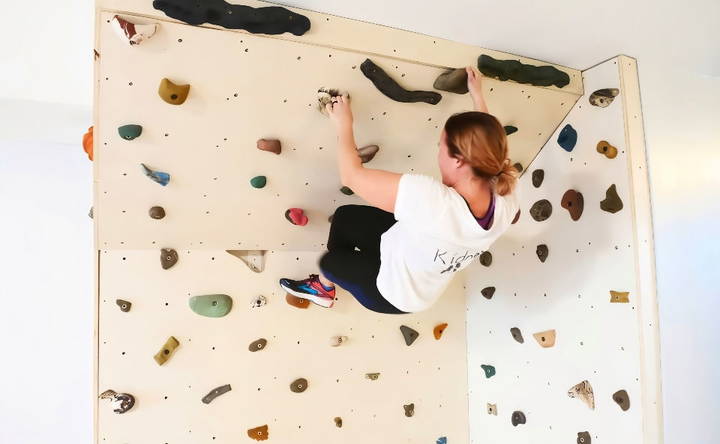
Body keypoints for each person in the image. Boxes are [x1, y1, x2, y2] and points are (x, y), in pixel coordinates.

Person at [279, 66, 519, 313]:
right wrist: (477, 96)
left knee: (331, 262)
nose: (438, 153)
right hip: (415, 262)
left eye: (441, 147)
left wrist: (343, 122)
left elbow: (351, 176)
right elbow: (491, 147)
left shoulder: (434, 202)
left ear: (459, 160)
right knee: (345, 218)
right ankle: (339, 275)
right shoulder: (504, 193)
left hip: (394, 295)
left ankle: (323, 287)